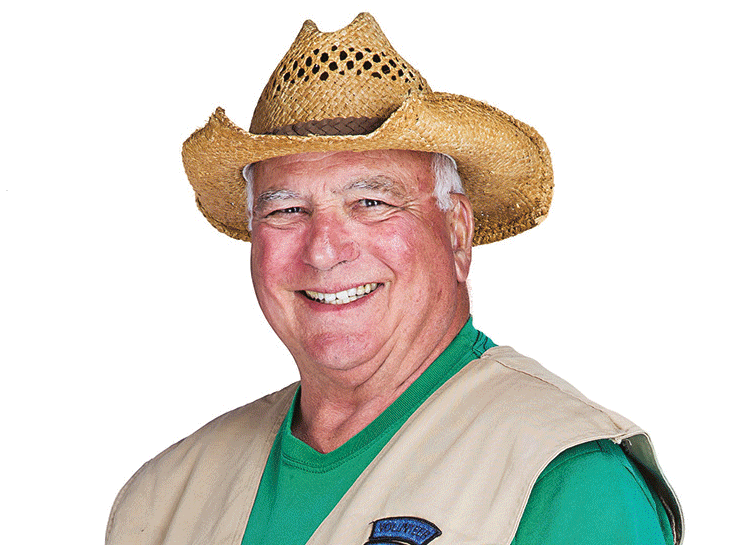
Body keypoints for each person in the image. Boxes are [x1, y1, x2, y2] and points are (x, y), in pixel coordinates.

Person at [106, 12, 683, 545]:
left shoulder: (566, 483)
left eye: (372, 202)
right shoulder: (162, 501)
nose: (324, 250)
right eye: (286, 210)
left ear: (456, 232)